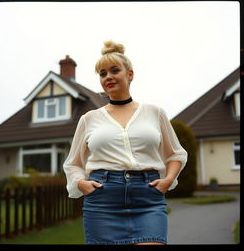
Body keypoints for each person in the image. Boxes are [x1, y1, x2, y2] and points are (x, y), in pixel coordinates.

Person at [63, 41, 187, 245]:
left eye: (114, 70)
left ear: (130, 74)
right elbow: (73, 163)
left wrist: (167, 180)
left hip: (148, 199)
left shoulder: (154, 113)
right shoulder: (89, 119)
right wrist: (81, 183)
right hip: (102, 201)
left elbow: (175, 154)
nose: (108, 77)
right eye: (102, 74)